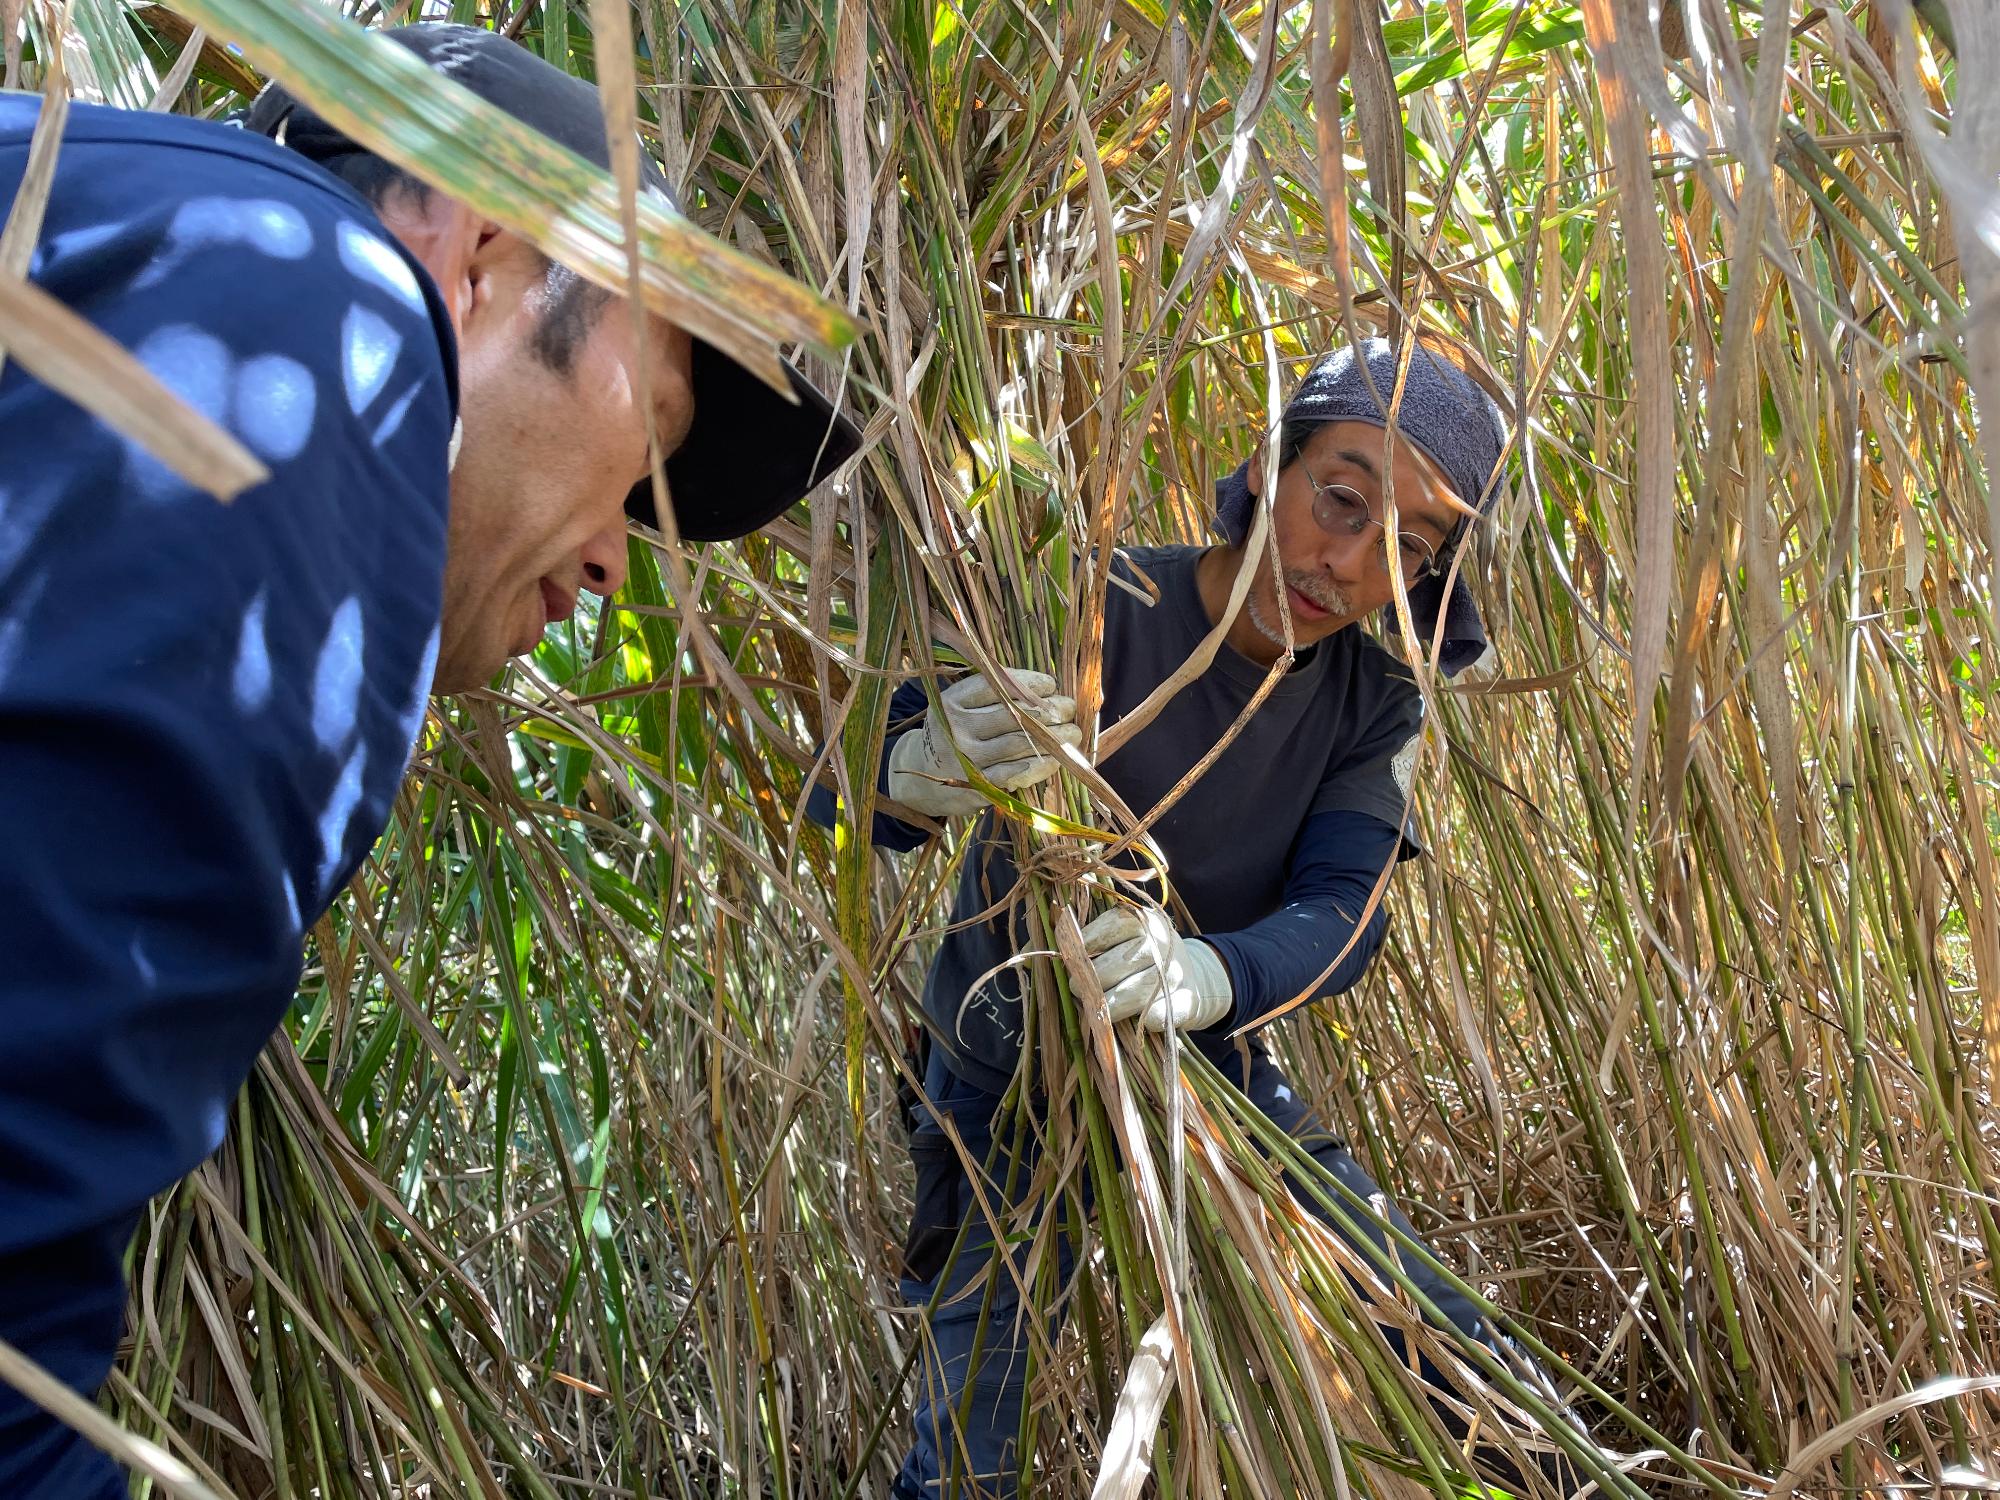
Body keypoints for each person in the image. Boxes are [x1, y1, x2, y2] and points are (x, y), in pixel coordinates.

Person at [0, 23, 858, 1496]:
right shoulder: (323, 323)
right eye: (645, 441)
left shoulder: (113, 208)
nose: (611, 566)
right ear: (472, 255)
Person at [815, 338, 1536, 1498]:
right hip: (999, 1081)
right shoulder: (1086, 602)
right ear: (1269, 464)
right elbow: (831, 795)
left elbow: (1342, 917)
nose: (1344, 563)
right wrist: (915, 763)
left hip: (1209, 1073)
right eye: (1338, 499)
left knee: (1457, 1364)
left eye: (1405, 548)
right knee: (969, 1453)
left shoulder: (1370, 703)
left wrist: (1196, 975)